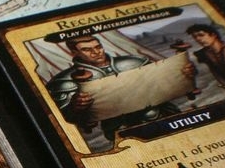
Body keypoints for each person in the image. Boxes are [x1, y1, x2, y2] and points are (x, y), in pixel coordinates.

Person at [46, 35, 192, 140]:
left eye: (98, 47)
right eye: (86, 49)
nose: (96, 52)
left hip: (166, 116)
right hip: (124, 129)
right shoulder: (65, 81)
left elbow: (163, 80)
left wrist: (183, 73)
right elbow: (63, 117)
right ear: (74, 53)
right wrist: (75, 106)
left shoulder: (133, 62)